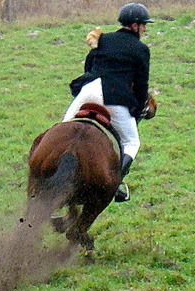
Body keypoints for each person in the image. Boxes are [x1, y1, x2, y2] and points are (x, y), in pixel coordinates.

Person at [63, 2, 154, 202]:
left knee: (63, 129)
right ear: (134, 25)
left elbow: (88, 66)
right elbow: (141, 84)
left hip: (88, 91)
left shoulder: (103, 39)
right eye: (144, 25)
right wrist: (137, 108)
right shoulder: (140, 49)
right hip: (115, 97)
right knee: (132, 142)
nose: (145, 29)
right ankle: (115, 183)